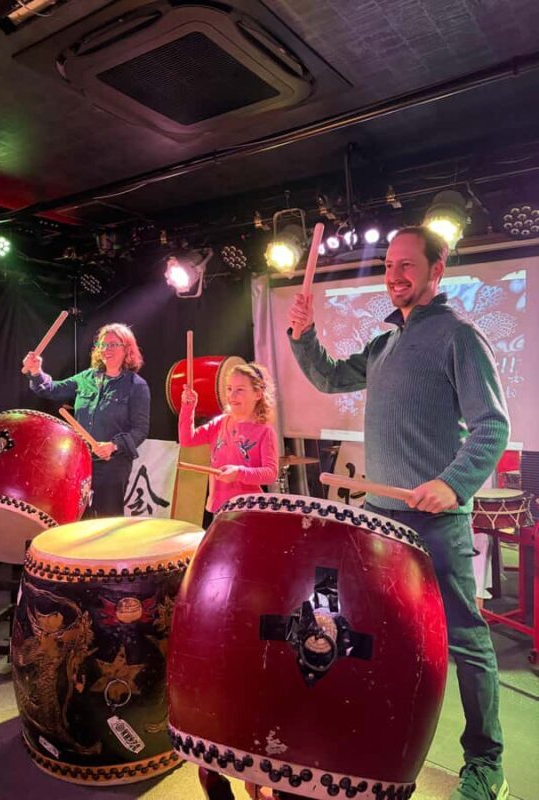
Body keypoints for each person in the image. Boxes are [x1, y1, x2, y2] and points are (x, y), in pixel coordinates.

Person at [287, 226, 510, 800]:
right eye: (389, 265)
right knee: (379, 636)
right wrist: (304, 335)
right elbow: (329, 377)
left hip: (436, 524)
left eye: (408, 265)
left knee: (466, 642)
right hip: (382, 523)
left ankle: (487, 763)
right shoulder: (384, 343)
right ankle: (384, 745)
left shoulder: (459, 337)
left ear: (437, 269)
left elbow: (492, 426)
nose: (395, 275)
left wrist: (452, 484)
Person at [22, 323, 150, 518]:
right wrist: (36, 372)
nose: (106, 349)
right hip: (80, 462)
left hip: (112, 465)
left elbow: (140, 430)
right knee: (77, 517)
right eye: (102, 344)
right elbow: (51, 390)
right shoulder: (86, 377)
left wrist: (113, 445)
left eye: (113, 344)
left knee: (107, 520)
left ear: (127, 349)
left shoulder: (136, 386)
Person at [179, 362, 278, 518]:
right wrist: (188, 407)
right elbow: (187, 440)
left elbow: (270, 473)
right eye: (229, 389)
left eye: (240, 390)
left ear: (258, 394)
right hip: (219, 508)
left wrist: (239, 472)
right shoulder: (220, 422)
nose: (232, 396)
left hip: (247, 509)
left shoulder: (265, 431)